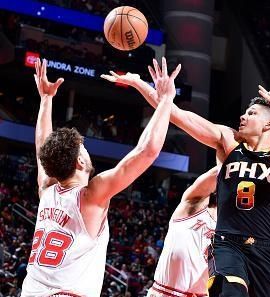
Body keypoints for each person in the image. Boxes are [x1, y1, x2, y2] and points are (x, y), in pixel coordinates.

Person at [101, 58, 270, 297]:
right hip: (227, 242)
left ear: (268, 124)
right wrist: (141, 85)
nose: (243, 117)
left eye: (252, 113)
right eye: (245, 112)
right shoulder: (228, 141)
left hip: (265, 250)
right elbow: (178, 116)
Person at [21, 58, 180, 297]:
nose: (87, 150)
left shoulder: (47, 190)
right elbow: (146, 152)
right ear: (80, 162)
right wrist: (166, 99)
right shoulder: (90, 196)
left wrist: (46, 100)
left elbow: (42, 148)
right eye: (84, 148)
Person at [147, 167, 218, 297]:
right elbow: (215, 173)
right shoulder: (192, 205)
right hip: (166, 291)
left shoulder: (233, 227)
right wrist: (238, 159)